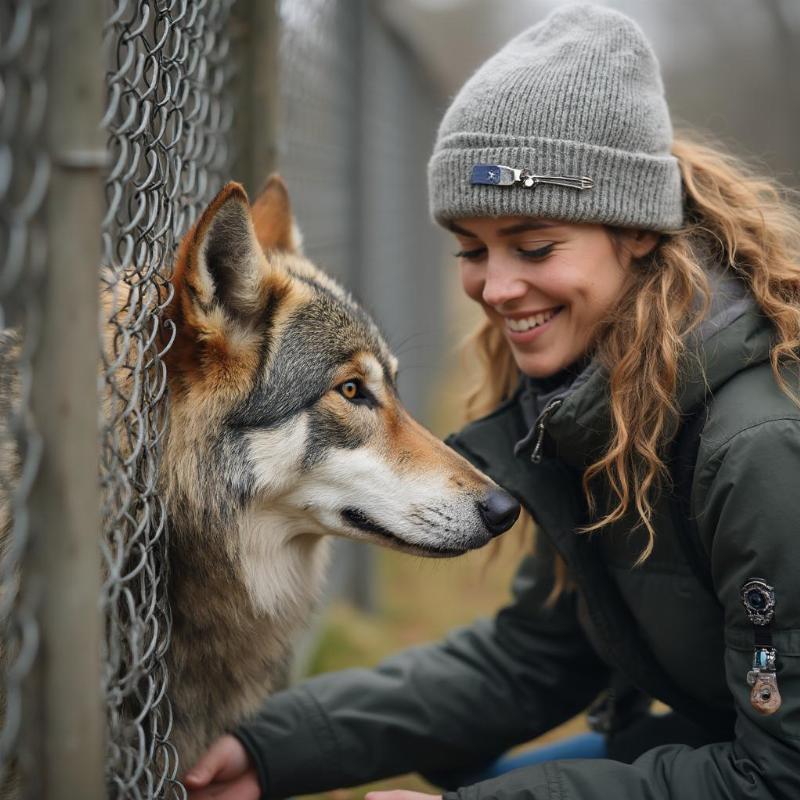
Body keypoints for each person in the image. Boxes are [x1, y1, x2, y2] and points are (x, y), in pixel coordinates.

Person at [184, 5, 800, 799]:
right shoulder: (602, 400)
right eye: (472, 250)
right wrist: (275, 748)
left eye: (535, 246)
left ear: (639, 231)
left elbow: (781, 778)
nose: (497, 289)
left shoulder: (760, 446)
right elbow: (539, 654)